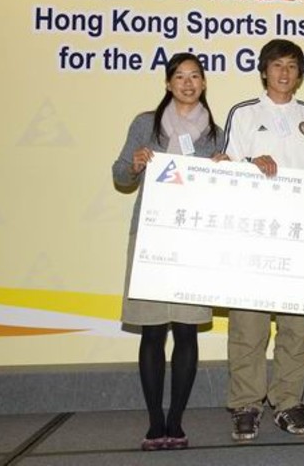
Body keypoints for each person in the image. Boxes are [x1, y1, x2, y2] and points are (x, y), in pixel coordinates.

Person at [112, 52, 225, 451]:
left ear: (204, 83)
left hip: (194, 241)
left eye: (196, 76)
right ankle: (154, 422)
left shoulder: (216, 131)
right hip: (151, 239)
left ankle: (176, 422)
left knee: (186, 331)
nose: (188, 83)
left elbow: (224, 189)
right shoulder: (146, 123)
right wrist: (135, 164)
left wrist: (225, 169)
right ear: (167, 83)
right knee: (153, 332)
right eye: (180, 76)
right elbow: (119, 174)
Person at [222, 39, 304, 442]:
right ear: (264, 71)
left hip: (301, 235)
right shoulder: (244, 114)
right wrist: (250, 164)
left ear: (300, 74)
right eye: (277, 65)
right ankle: (246, 404)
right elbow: (225, 166)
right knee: (249, 325)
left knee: (296, 327)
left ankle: (287, 402)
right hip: (253, 234)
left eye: (292, 66)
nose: (284, 73)